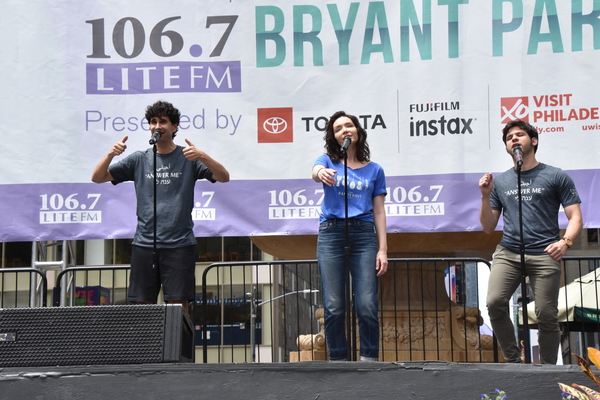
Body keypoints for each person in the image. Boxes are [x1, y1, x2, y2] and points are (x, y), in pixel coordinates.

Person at [91, 100, 230, 311]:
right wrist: (111, 154)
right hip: (144, 244)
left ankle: (178, 345)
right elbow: (98, 177)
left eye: (163, 121)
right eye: (153, 122)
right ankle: (147, 345)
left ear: (174, 127)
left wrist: (201, 155)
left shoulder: (187, 158)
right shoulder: (139, 159)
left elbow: (223, 177)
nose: (157, 126)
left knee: (178, 307)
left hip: (179, 244)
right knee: (142, 307)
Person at [479, 119, 582, 364]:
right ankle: (514, 361)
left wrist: (565, 242)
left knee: (546, 313)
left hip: (545, 252)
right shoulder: (501, 182)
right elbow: (487, 227)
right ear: (507, 147)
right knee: (494, 303)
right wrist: (484, 196)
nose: (513, 139)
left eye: (519, 135)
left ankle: (546, 370)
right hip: (509, 251)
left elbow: (575, 217)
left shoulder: (555, 175)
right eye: (508, 137)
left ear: (533, 141)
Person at [312, 111, 388, 362]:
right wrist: (320, 172)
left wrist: (382, 250)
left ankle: (369, 361)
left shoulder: (375, 170)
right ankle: (338, 362)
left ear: (358, 131)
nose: (344, 130)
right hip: (331, 233)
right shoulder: (328, 160)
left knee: (366, 304)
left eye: (349, 125)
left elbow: (378, 210)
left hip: (363, 235)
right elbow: (316, 170)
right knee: (334, 306)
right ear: (334, 137)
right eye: (338, 128)